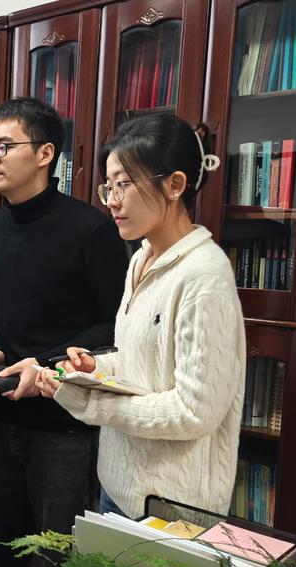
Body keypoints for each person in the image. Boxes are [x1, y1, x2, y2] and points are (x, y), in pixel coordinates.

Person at [37, 113, 244, 521]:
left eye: (124, 184)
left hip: (170, 506)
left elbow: (195, 412)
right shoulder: (141, 259)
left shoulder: (204, 276)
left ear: (175, 185)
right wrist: (97, 368)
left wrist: (92, 403)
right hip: (119, 485)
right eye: (109, 186)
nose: (112, 200)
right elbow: (142, 360)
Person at [0, 97, 129, 567]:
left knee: (60, 562)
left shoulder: (92, 229)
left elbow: (114, 323)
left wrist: (44, 362)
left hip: (63, 418)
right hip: (1, 412)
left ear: (45, 154)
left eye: (3, 147)